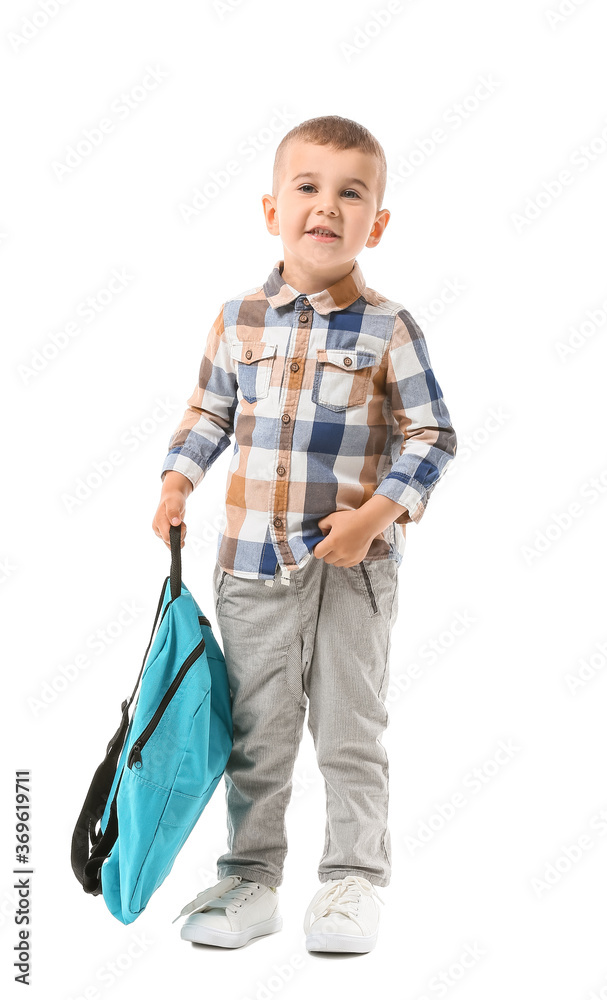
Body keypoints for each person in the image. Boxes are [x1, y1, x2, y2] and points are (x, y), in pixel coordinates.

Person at [152, 114, 457, 955]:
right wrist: (178, 478)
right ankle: (250, 877)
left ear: (376, 223)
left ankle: (352, 881)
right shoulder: (238, 318)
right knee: (257, 730)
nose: (326, 207)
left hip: (352, 573)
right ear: (271, 208)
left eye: (350, 193)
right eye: (308, 188)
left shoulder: (387, 328)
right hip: (250, 565)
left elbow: (433, 437)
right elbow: (210, 410)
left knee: (350, 726)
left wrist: (373, 516)